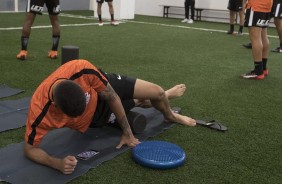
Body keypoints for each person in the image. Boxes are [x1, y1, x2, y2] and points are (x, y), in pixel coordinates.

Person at [24, 59, 196, 174]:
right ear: (56, 106)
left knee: (156, 92)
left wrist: (127, 132)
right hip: (94, 118)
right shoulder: (39, 111)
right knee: (139, 102)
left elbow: (111, 96)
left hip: (103, 88)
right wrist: (57, 163)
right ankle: (166, 96)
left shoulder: (80, 69)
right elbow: (30, 149)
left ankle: (170, 114)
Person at [241, 0, 273, 80]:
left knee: (255, 37)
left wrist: (244, 5)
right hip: (267, 5)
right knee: (263, 36)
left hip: (256, 6)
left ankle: (258, 71)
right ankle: (263, 68)